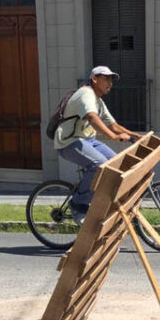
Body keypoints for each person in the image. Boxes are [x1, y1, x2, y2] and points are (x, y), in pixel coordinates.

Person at [53, 66, 140, 223]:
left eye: (111, 80)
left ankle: (104, 204)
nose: (110, 83)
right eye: (106, 79)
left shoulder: (98, 100)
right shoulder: (86, 94)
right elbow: (92, 118)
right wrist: (114, 137)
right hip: (69, 141)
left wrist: (136, 136)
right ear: (94, 79)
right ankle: (78, 203)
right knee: (100, 165)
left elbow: (113, 124)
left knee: (115, 164)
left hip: (88, 141)